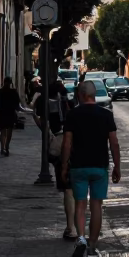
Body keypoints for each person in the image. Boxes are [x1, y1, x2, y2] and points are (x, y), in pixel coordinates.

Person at [61, 78, 121, 257]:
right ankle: (92, 247)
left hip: (78, 166)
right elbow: (114, 143)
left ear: (80, 95)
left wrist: (64, 167)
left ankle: (80, 238)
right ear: (93, 95)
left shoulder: (72, 115)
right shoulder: (106, 115)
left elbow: (67, 143)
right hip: (99, 166)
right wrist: (117, 166)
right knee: (96, 206)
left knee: (80, 204)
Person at [33, 75, 75, 240]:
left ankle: (70, 227)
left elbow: (43, 125)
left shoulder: (47, 104)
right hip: (73, 147)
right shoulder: (67, 104)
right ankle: (75, 227)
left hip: (59, 145)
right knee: (74, 189)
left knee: (68, 189)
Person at [0, 76, 21, 157]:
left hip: (2, 112)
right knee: (9, 131)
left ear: (4, 82)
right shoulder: (14, 92)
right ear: (11, 83)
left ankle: (2, 148)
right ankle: (6, 147)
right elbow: (17, 104)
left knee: (3, 131)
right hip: (10, 113)